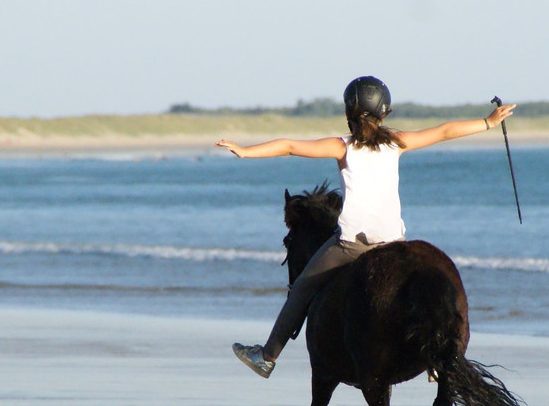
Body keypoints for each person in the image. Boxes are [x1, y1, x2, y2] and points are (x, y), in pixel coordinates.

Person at [216, 75, 516, 378]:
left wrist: (245, 150)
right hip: (394, 243)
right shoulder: (397, 142)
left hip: (351, 246)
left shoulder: (342, 147)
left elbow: (290, 146)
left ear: (348, 112)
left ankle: (266, 356)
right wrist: (488, 123)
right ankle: (436, 361)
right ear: (384, 111)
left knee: (302, 288)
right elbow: (444, 131)